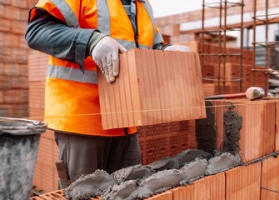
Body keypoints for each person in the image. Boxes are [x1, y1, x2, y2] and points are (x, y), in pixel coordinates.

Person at [25, 0, 189, 189]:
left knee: (130, 191)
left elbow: (147, 47)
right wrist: (91, 42)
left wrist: (164, 51)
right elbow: (37, 31)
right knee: (84, 193)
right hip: (83, 122)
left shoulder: (143, 6)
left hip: (126, 123)